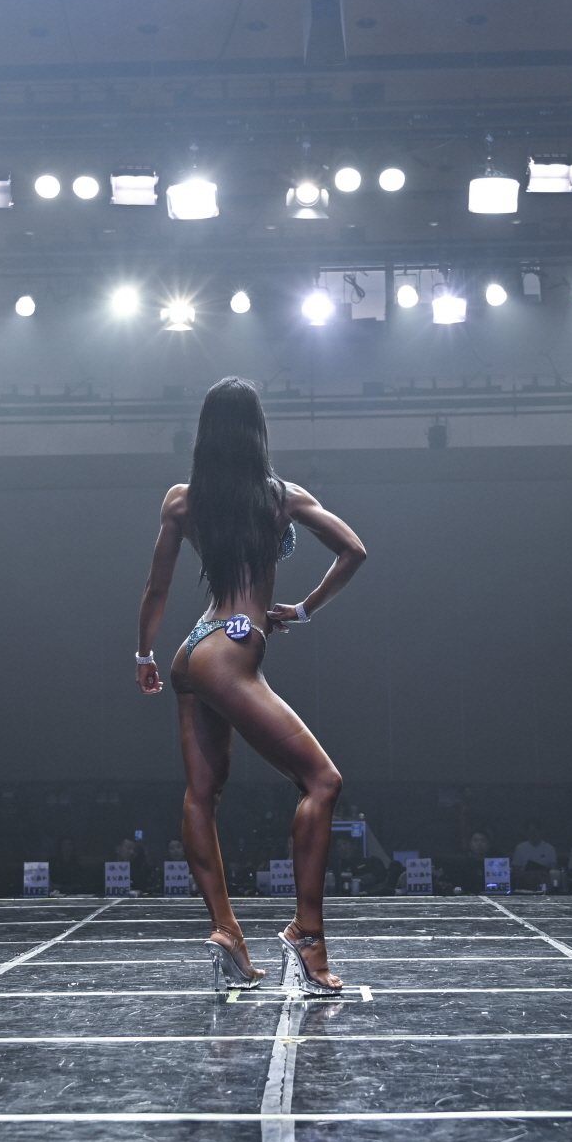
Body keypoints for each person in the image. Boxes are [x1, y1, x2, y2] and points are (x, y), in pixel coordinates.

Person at [135, 377, 367, 995]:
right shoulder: (280, 496)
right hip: (232, 651)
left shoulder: (183, 500)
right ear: (257, 432)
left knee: (202, 794)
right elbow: (353, 550)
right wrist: (305, 609)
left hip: (193, 648)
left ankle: (228, 933)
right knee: (323, 782)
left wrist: (144, 654)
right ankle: (307, 938)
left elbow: (157, 588)